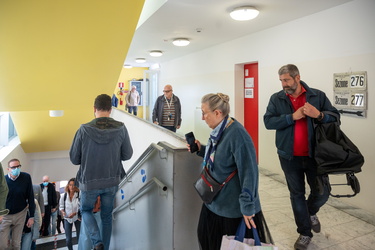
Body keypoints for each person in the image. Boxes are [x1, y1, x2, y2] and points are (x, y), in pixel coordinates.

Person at [263, 64, 339, 250]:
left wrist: (319, 115)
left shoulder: (317, 96)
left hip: (315, 156)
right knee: (296, 194)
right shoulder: (277, 98)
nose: (283, 84)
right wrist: (291, 117)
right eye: (281, 80)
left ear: (297, 78)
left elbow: (335, 117)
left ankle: (310, 211)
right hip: (289, 157)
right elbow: (268, 122)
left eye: (287, 80)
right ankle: (305, 233)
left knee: (322, 193)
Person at [189, 93, 273, 250]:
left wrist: (248, 206)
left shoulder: (238, 135)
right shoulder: (219, 129)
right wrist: (201, 149)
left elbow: (249, 172)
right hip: (213, 202)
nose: (202, 117)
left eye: (204, 113)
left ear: (217, 113)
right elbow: (221, 156)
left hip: (230, 210)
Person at [70, 93, 133, 250]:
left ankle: (96, 241)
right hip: (111, 180)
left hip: (89, 182)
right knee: (106, 216)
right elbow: (127, 155)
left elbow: (74, 158)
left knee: (85, 210)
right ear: (110, 109)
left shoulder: (84, 130)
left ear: (94, 109)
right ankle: (103, 247)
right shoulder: (121, 128)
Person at [0, 159, 35, 250]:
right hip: (6, 216)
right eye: (13, 167)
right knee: (2, 245)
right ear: (8, 169)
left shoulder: (26, 177)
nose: (16, 169)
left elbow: (30, 197)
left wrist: (31, 216)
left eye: (18, 166)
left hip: (20, 214)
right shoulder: (3, 180)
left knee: (16, 244)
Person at [59, 178, 81, 250]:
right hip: (67, 218)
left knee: (79, 237)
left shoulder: (78, 195)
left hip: (77, 218)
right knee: (68, 239)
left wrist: (75, 213)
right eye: (70, 185)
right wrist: (63, 212)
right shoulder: (63, 196)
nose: (71, 187)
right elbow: (61, 207)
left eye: (73, 185)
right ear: (68, 186)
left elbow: (81, 207)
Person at [30, 184, 44, 250]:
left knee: (32, 245)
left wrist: (36, 233)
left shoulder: (34, 201)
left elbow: (38, 217)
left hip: (32, 229)